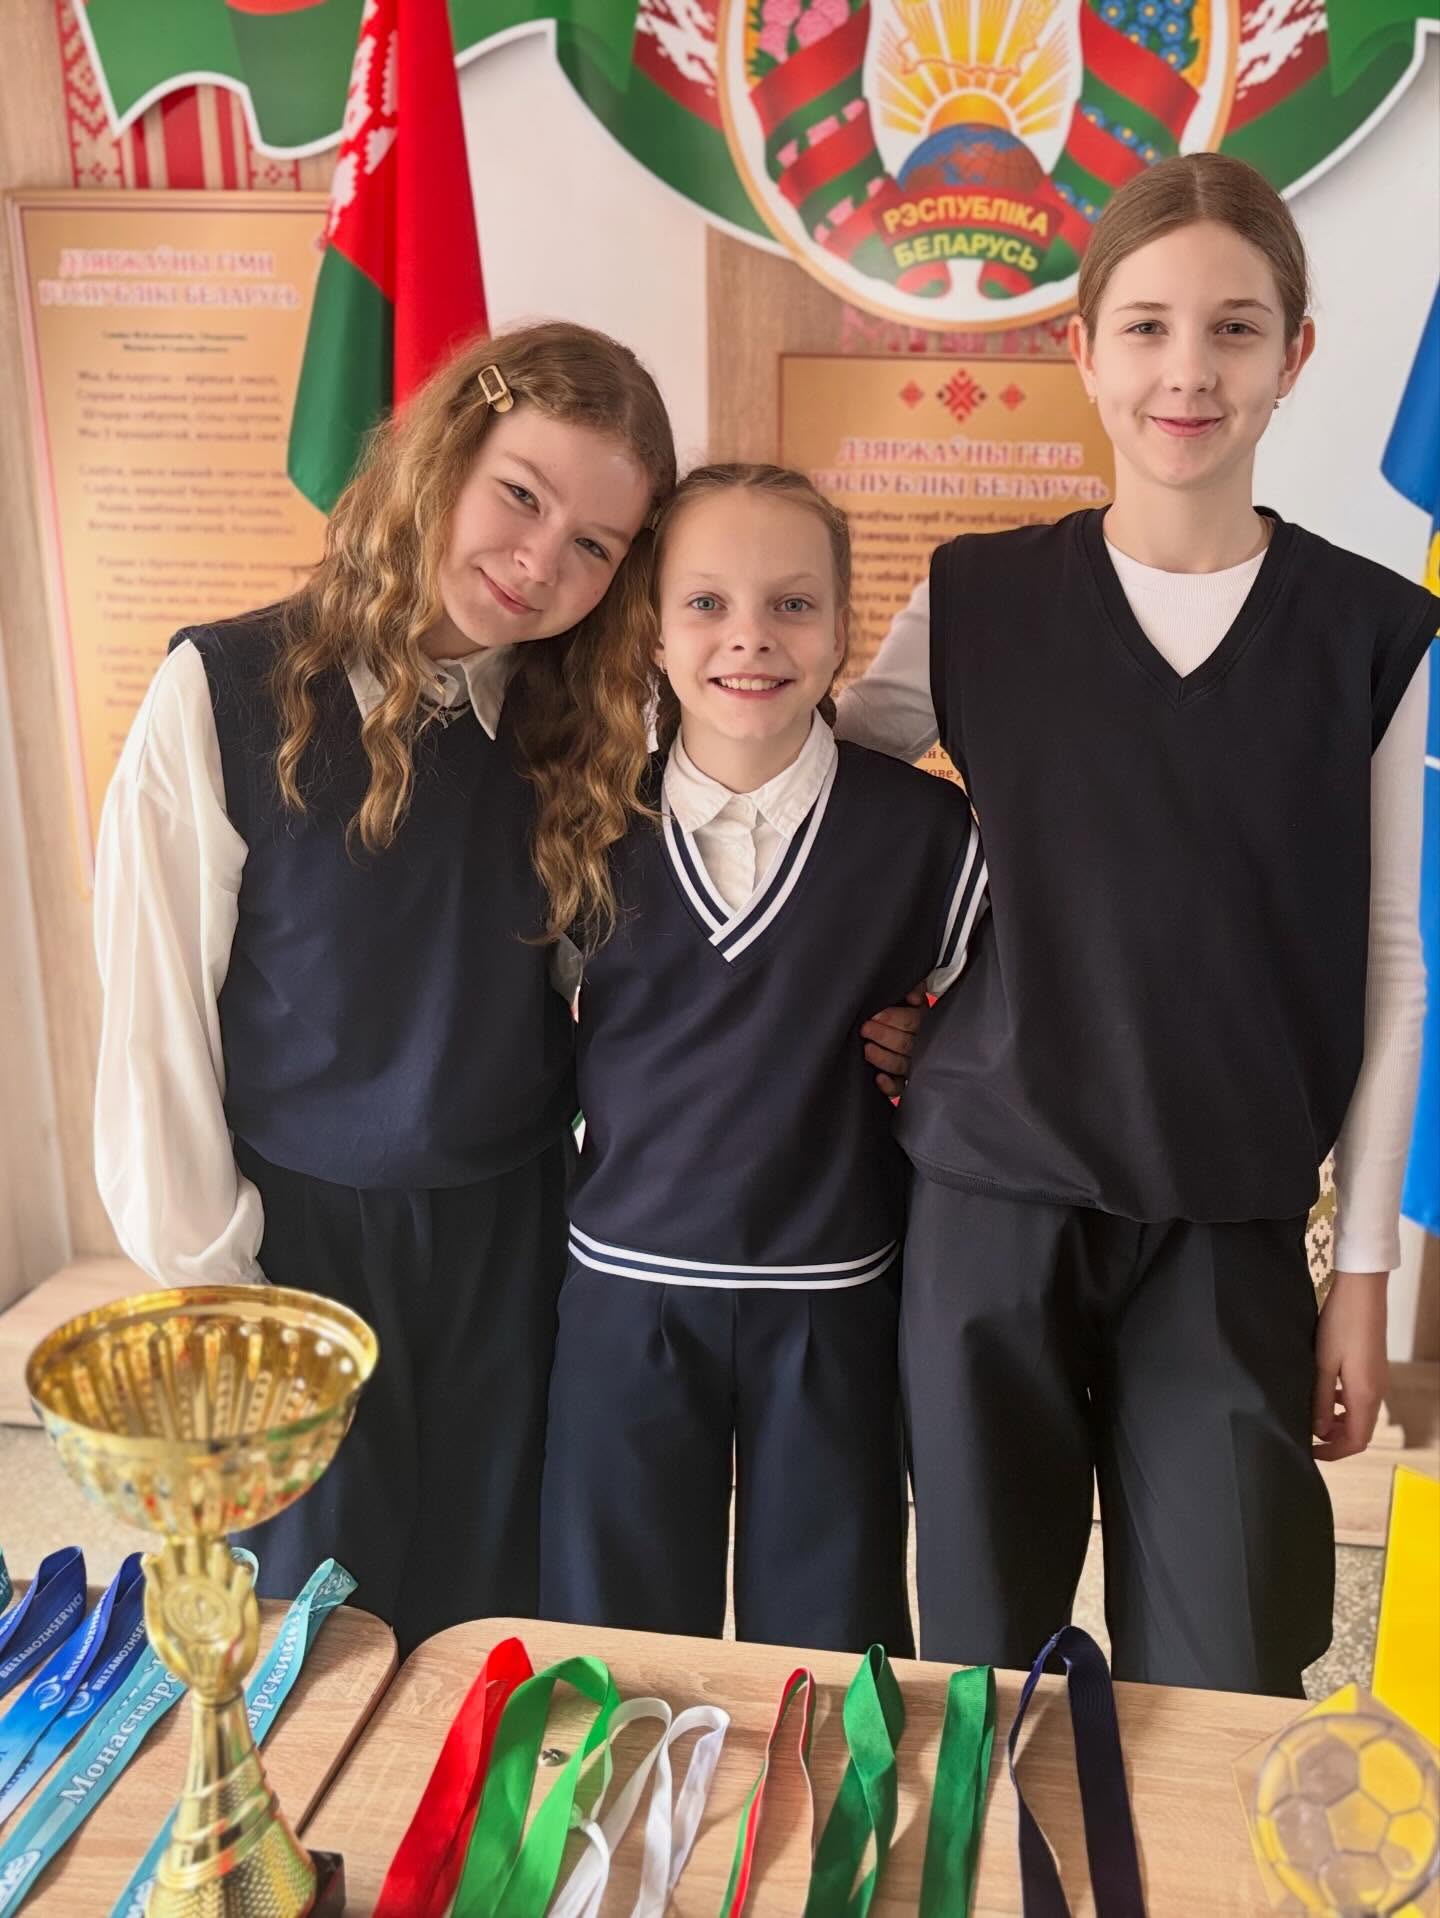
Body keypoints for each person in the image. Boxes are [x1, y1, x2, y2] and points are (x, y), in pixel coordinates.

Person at [839, 153, 1439, 1695]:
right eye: (1150, 326)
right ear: (1083, 347)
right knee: (983, 1659)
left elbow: (1393, 959)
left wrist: (1365, 1271)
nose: (1190, 371)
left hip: (1228, 1220)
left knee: (1228, 1664)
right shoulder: (977, 600)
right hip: (991, 1198)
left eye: (1236, 329)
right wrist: (896, 991)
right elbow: (824, 798)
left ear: (1295, 355)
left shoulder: (1374, 632)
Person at [93, 322, 675, 1654]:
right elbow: (154, 1030)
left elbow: (625, 990)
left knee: (490, 1620)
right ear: (443, 457)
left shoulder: (584, 730)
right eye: (521, 495)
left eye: (596, 544)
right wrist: (219, 1285)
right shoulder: (224, 692)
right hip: (297, 1250)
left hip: (512, 1243)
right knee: (312, 1635)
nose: (542, 561)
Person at [539, 464, 986, 1652]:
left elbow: (1002, 1023)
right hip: (625, 1293)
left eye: (792, 604)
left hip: (833, 1298)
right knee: (616, 1639)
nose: (750, 637)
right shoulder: (586, 825)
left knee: (830, 1643)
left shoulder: (931, 833)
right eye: (706, 603)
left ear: (842, 627)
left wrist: (946, 1046)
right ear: (653, 628)